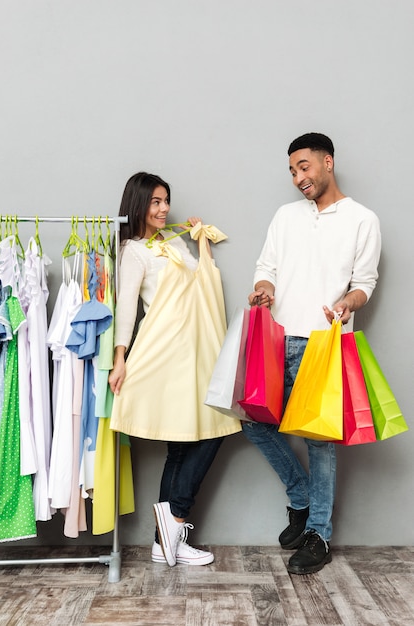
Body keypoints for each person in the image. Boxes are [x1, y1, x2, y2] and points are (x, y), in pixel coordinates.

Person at [242, 133, 381, 575]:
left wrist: (347, 304)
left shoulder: (362, 219)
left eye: (304, 167)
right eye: (292, 171)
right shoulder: (285, 217)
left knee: (319, 442)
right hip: (276, 339)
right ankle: (301, 499)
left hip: (323, 342)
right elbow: (266, 270)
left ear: (327, 162)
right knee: (252, 421)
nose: (298, 177)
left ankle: (318, 533)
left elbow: (365, 283)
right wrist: (263, 291)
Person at [108, 172, 241, 567]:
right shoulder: (133, 251)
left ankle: (163, 540)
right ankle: (176, 523)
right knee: (193, 437)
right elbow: (127, 308)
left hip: (198, 352)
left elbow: (205, 282)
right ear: (138, 204)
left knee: (192, 439)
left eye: (166, 201)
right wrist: (120, 359)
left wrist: (201, 241)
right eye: (155, 202)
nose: (164, 209)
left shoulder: (174, 240)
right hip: (165, 354)